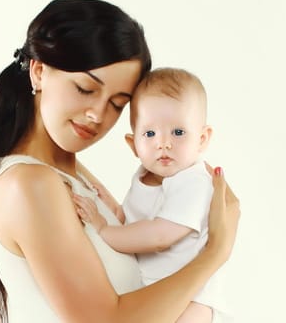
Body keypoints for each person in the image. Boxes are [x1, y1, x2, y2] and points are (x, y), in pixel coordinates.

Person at [0, 0, 240, 323]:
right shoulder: (29, 184)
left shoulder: (74, 176)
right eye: (86, 89)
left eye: (117, 104)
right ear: (39, 70)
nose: (97, 115)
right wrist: (215, 252)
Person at [74, 68, 225, 323]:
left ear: (202, 139)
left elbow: (158, 236)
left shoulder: (194, 181)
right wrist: (108, 206)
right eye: (150, 133)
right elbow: (134, 223)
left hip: (192, 299)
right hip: (153, 293)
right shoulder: (144, 175)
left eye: (178, 132)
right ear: (133, 145)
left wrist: (103, 229)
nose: (163, 143)